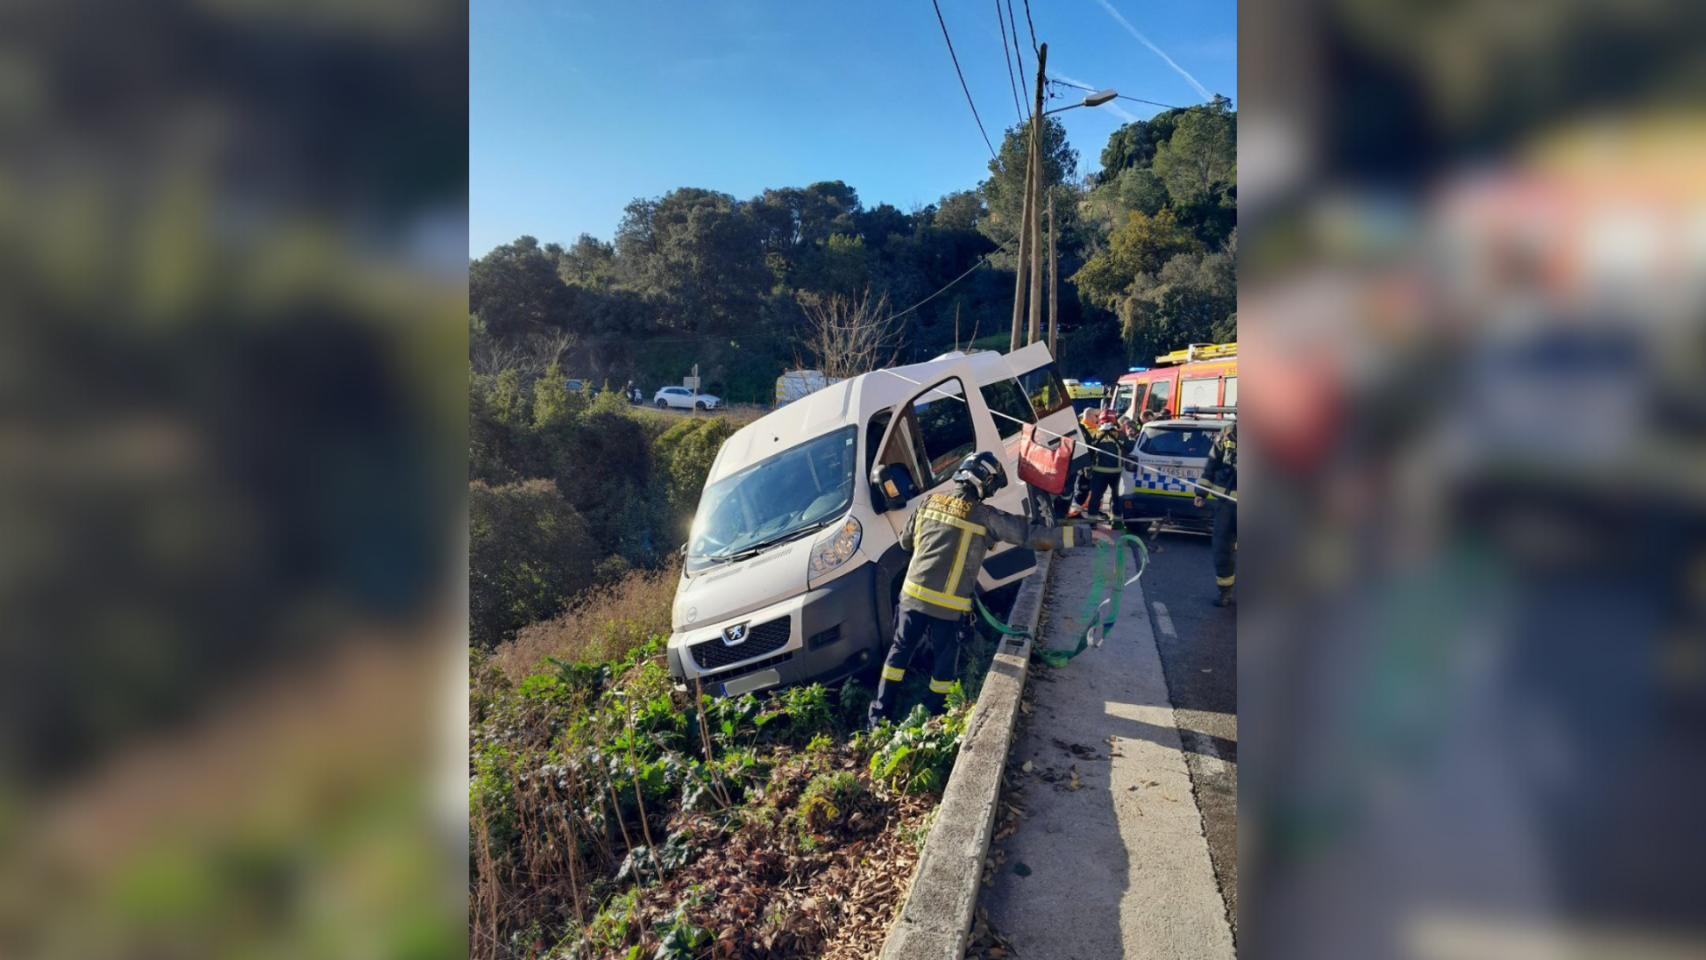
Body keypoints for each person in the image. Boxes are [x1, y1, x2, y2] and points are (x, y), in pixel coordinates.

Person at [869, 451, 1110, 728]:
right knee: (943, 669)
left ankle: (878, 719)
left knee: (898, 657)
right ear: (985, 482)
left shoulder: (928, 503)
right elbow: (1035, 536)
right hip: (949, 609)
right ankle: (932, 720)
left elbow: (905, 543)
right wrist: (1086, 534)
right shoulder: (985, 516)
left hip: (912, 600)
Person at [1194, 421, 1238, 607]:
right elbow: (1212, 462)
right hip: (1226, 503)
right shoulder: (1229, 431)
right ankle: (1225, 592)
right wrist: (1201, 492)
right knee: (1221, 547)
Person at [1071, 411, 1128, 519]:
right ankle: (1116, 521)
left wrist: (1087, 469)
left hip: (1098, 472)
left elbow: (1089, 453)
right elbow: (1130, 447)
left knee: (1096, 497)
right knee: (1116, 497)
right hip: (1116, 473)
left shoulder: (1095, 435)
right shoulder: (1119, 435)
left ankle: (1092, 520)